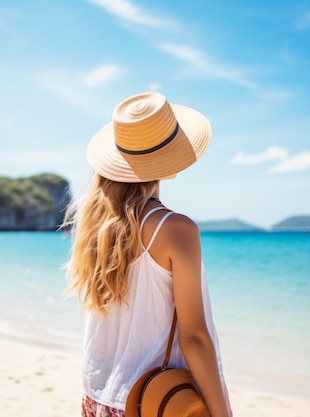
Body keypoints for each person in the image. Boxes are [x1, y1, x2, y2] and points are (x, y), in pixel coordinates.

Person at [63, 92, 232, 417]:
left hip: (97, 398)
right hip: (153, 404)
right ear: (168, 159)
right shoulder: (176, 230)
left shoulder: (96, 227)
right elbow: (194, 338)